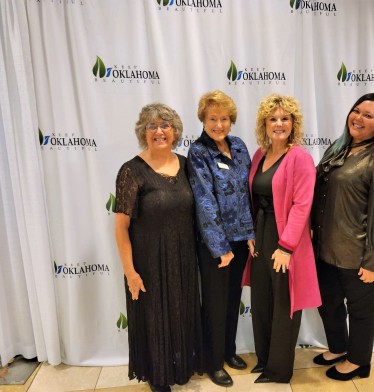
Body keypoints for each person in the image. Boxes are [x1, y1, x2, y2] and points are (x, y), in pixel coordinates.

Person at [311, 93, 374, 381]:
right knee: (327, 303)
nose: (359, 118)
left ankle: (358, 361)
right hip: (328, 249)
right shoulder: (338, 149)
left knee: (362, 311)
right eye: (356, 111)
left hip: (364, 254)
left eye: (368, 115)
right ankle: (339, 348)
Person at [114, 103, 202, 392]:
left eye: (165, 125)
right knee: (154, 319)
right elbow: (121, 227)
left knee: (181, 314)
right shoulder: (131, 171)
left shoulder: (187, 165)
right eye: (152, 126)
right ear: (143, 132)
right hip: (149, 262)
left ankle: (180, 367)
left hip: (184, 257)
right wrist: (130, 272)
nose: (159, 131)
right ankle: (158, 375)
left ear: (175, 132)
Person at [243, 94, 321, 384]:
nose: (279, 123)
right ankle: (263, 359)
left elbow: (303, 206)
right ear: (264, 123)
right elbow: (253, 198)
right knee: (261, 299)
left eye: (285, 118)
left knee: (283, 303)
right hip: (261, 234)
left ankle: (278, 369)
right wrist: (251, 234)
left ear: (293, 123)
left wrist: (286, 247)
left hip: (286, 238)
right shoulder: (259, 154)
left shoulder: (300, 157)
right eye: (273, 118)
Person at [187, 90, 255, 387]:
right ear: (203, 120)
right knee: (214, 304)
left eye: (224, 118)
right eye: (212, 119)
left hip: (241, 240)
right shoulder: (198, 152)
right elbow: (204, 201)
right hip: (216, 247)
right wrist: (220, 247)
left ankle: (228, 351)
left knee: (232, 300)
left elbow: (248, 192)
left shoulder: (238, 146)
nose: (219, 124)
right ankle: (212, 362)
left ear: (231, 120)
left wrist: (251, 234)